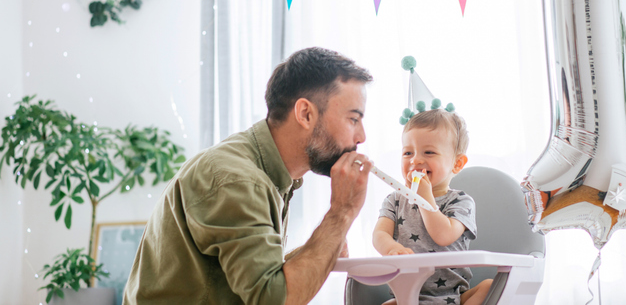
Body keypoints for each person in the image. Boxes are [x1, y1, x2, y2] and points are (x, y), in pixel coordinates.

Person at [124, 47, 374, 305]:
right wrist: (341, 212)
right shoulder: (237, 180)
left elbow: (252, 282)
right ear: (305, 114)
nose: (361, 137)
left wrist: (324, 247)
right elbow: (274, 300)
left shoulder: (266, 173)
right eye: (353, 119)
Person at [372, 109, 492, 305]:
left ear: (457, 163)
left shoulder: (461, 201)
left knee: (489, 287)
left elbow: (443, 236)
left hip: (454, 297)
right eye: (407, 152)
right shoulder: (394, 200)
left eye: (428, 152)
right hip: (407, 296)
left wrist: (424, 197)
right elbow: (379, 235)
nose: (415, 160)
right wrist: (392, 248)